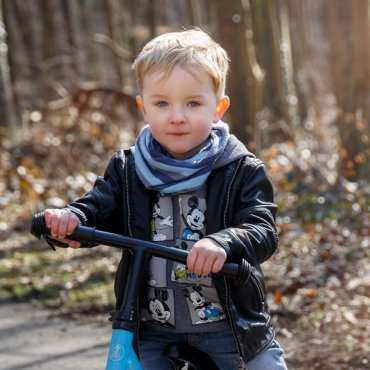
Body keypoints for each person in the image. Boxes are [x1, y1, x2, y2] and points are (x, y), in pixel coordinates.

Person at [43, 28, 287, 370]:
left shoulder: (240, 169)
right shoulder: (128, 168)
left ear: (218, 108)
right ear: (144, 108)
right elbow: (99, 207)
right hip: (151, 326)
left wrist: (223, 242)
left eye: (193, 103)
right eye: (162, 103)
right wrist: (71, 218)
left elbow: (262, 229)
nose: (176, 116)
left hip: (229, 327)